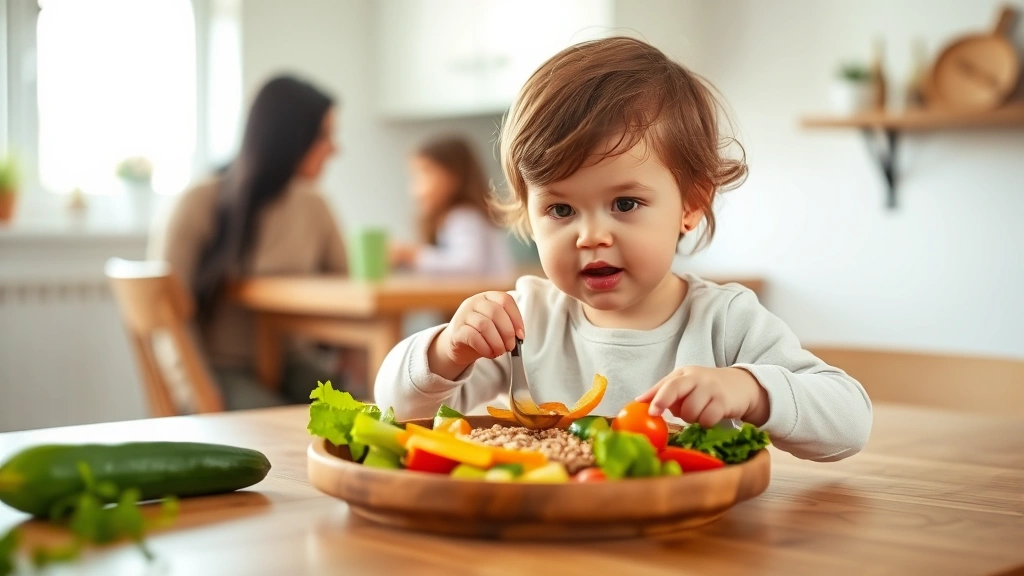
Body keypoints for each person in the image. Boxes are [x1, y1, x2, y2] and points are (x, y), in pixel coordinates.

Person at [373, 37, 872, 462]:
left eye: (625, 203)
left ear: (691, 205)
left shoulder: (725, 321)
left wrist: (751, 390)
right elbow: (394, 407)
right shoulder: (529, 321)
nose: (591, 237)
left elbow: (850, 420)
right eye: (561, 210)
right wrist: (446, 351)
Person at [150, 75, 348, 409]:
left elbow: (345, 286)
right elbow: (165, 312)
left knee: (363, 417)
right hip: (221, 371)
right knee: (284, 429)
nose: (335, 148)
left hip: (293, 364)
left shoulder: (315, 205)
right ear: (291, 137)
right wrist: (199, 391)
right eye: (324, 135)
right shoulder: (200, 201)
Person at [389, 135, 513, 277]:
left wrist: (412, 255)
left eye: (425, 173)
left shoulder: (465, 216)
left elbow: (468, 266)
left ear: (453, 176)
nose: (414, 189)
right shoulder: (451, 218)